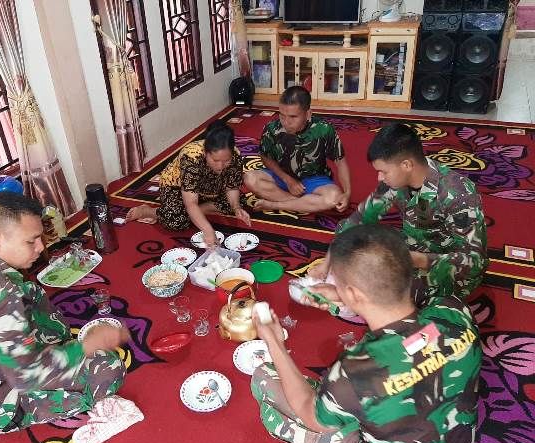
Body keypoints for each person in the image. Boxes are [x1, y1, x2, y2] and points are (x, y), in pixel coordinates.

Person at [251, 224, 481, 443]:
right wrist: (349, 297)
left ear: (353, 292)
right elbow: (415, 310)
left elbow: (309, 413)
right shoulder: (455, 312)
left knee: (265, 377)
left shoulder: (354, 371)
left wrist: (274, 343)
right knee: (363, 403)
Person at [0, 192, 130, 434]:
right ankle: (21, 414)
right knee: (107, 367)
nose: (41, 247)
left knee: (29, 291)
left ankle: (37, 347)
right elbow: (27, 377)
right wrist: (88, 346)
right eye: (31, 241)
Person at [311, 123, 488, 305]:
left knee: (387, 292)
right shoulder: (395, 180)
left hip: (448, 268)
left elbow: (474, 262)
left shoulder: (458, 195)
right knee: (350, 233)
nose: (379, 177)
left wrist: (416, 260)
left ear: (406, 165)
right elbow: (359, 218)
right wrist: (326, 264)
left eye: (383, 171)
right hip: (414, 247)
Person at [125, 120, 251, 247]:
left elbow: (232, 187)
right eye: (215, 160)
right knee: (176, 221)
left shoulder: (235, 155)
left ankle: (192, 212)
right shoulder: (191, 158)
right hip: (177, 186)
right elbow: (190, 202)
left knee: (239, 202)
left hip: (210, 186)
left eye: (226, 161)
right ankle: (150, 212)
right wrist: (207, 229)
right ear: (206, 152)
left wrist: (236, 207)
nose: (221, 166)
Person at [243, 86, 351, 214]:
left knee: (334, 197)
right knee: (249, 178)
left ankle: (275, 204)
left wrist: (347, 193)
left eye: (293, 117)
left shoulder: (324, 129)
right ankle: (304, 204)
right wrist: (287, 179)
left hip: (314, 179)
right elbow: (265, 157)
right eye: (282, 115)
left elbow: (340, 162)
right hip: (282, 176)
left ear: (308, 114)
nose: (286, 122)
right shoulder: (271, 128)